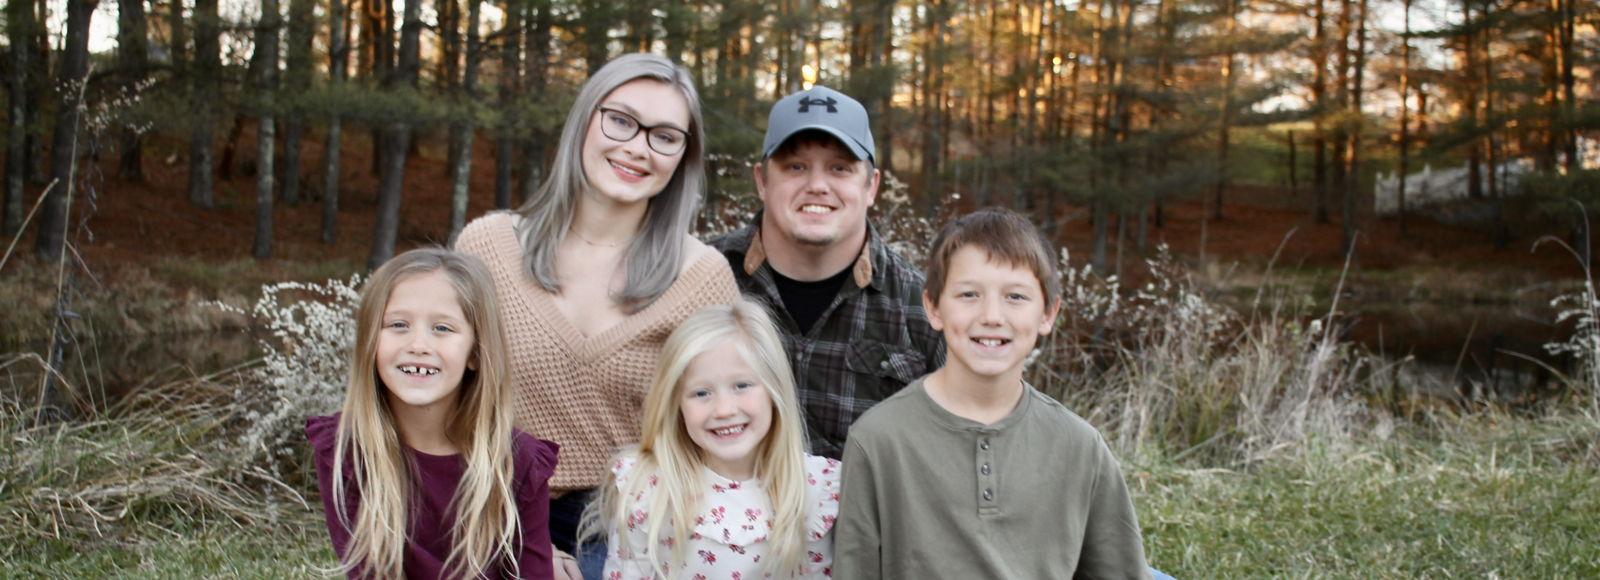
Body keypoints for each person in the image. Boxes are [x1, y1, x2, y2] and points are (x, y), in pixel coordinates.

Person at [454, 53, 739, 579]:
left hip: (639, 532)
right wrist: (520, 540)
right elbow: (443, 407)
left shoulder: (702, 278)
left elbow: (725, 436)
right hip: (494, 514)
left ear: (683, 156)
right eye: (621, 121)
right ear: (585, 119)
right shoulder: (487, 247)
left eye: (665, 136)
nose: (638, 148)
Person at [834, 208, 1153, 579]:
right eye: (969, 294)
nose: (991, 316)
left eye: (1015, 297)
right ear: (933, 307)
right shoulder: (877, 440)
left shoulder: (1081, 447)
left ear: (1048, 314)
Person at [710, 85, 944, 460]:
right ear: (762, 181)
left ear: (871, 186)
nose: (817, 186)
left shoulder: (924, 309)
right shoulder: (701, 279)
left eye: (840, 168)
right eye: (795, 167)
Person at [306, 248, 558, 579]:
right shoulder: (347, 450)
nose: (419, 345)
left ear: (475, 352)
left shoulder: (517, 461)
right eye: (398, 324)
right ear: (370, 342)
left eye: (442, 328)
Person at [582, 298, 840, 579]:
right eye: (701, 393)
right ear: (677, 405)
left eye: (741, 385)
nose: (724, 410)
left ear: (773, 390)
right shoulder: (649, 488)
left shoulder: (811, 489)